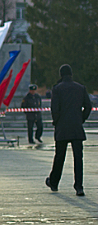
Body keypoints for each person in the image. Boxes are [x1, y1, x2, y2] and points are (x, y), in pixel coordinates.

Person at [46, 64, 92, 196]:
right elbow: (88, 107)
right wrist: (81, 119)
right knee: (78, 158)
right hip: (77, 128)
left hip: (62, 127)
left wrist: (56, 122)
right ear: (71, 74)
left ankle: (54, 182)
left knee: (59, 156)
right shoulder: (80, 88)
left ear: (61, 75)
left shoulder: (57, 89)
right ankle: (79, 186)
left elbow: (55, 109)